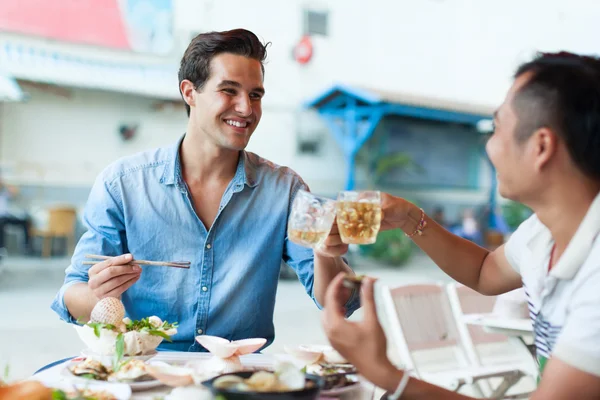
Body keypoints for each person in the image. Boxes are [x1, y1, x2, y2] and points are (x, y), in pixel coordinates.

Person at [51, 29, 359, 352]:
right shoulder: (122, 185)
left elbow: (338, 303)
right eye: (229, 90)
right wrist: (99, 297)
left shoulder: (285, 192)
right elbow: (72, 295)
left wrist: (325, 252)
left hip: (241, 380)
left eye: (255, 95)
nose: (246, 108)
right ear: (189, 92)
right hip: (148, 373)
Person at [323, 52, 600, 399]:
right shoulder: (542, 232)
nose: (490, 146)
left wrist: (384, 373)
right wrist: (411, 218)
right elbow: (485, 271)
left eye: (498, 128)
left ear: (541, 147)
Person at [0, 176, 31, 255]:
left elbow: (14, 194)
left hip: (11, 215)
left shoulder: (6, 193)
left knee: (26, 221)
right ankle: (2, 248)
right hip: (2, 218)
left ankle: (26, 246)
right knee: (1, 223)